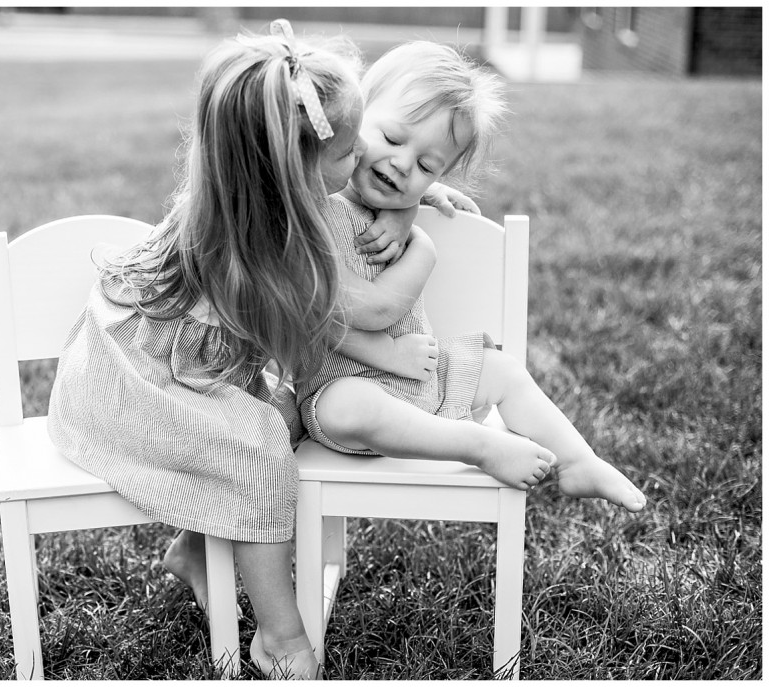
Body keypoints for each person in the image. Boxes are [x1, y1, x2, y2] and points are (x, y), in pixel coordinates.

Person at [48, 20, 443, 679]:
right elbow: (350, 317)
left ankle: (196, 551)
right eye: (347, 154)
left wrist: (413, 205)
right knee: (261, 445)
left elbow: (355, 193)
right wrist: (420, 245)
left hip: (175, 372)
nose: (361, 162)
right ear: (298, 170)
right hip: (132, 390)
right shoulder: (257, 244)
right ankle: (280, 635)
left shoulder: (247, 195)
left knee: (282, 413)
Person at [298, 41, 648, 511]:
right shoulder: (311, 206)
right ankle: (476, 445)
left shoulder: (398, 204)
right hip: (339, 394)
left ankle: (576, 460)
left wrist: (410, 207)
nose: (403, 165)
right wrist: (393, 343)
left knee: (502, 370)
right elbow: (334, 313)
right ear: (354, 122)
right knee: (352, 404)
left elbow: (391, 190)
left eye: (427, 166)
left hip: (424, 385)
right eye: (394, 139)